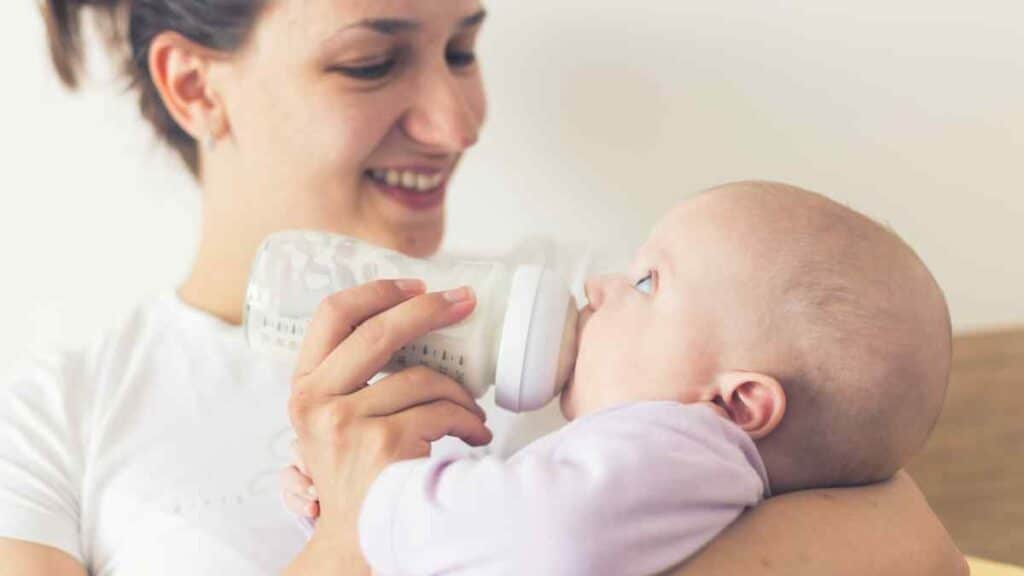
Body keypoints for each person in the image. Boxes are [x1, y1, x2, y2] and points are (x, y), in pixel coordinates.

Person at [0, 0, 966, 574]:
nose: (457, 120)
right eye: (372, 62)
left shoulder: (613, 315)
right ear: (195, 88)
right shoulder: (56, 424)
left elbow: (914, 544)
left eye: (463, 48)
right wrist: (348, 540)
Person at [282, 182, 952, 575]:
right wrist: (348, 497)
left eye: (646, 281)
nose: (600, 287)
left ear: (738, 401)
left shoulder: (684, 443)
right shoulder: (680, 469)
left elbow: (549, 533)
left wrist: (377, 499)